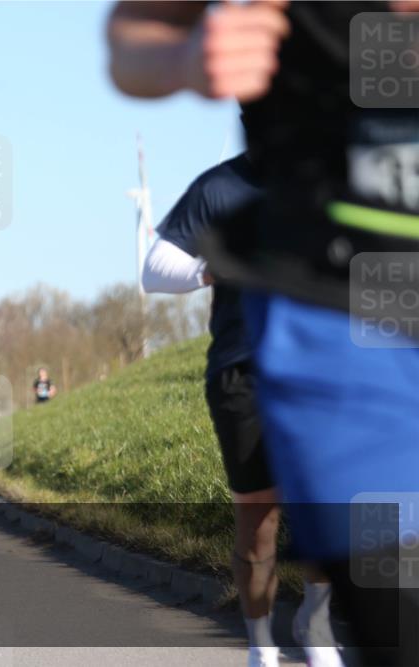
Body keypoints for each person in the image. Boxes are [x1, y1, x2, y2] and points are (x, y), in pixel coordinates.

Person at [108, 3, 419, 666]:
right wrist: (183, 61)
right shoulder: (221, 187)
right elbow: (135, 29)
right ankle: (276, 641)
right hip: (340, 322)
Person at [143, 152, 341, 667]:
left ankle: (316, 624)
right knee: (259, 523)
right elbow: (156, 269)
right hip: (242, 370)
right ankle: (262, 646)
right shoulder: (220, 186)